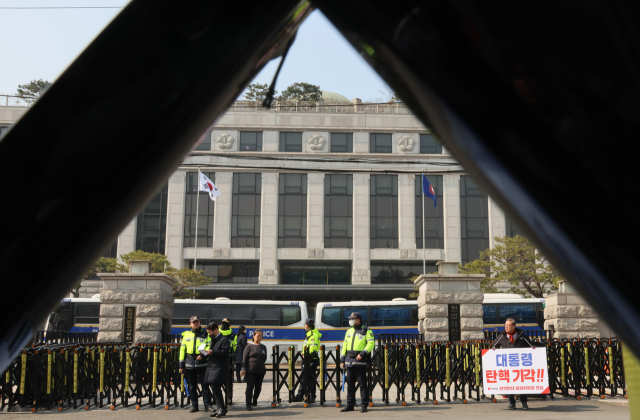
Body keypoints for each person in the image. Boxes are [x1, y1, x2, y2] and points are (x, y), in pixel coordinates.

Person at [492, 318, 536, 410]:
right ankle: (512, 403)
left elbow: (531, 346)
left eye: (508, 325)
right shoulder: (502, 336)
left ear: (514, 326)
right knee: (509, 384)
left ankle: (524, 402)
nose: (506, 327)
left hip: (520, 364)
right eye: (505, 325)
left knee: (521, 383)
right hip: (507, 364)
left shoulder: (521, 335)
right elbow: (493, 347)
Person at [340, 312, 374, 413]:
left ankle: (364, 405)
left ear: (358, 319)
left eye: (352, 319)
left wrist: (363, 354)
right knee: (350, 385)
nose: (350, 320)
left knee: (363, 385)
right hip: (349, 361)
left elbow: (371, 344)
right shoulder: (349, 331)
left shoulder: (367, 331)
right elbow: (344, 345)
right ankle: (350, 404)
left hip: (360, 362)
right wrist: (342, 359)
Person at [179, 316, 212, 413]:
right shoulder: (186, 335)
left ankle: (208, 405)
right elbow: (182, 350)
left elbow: (209, 346)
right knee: (192, 386)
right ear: (190, 324)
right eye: (193, 322)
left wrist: (203, 356)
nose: (195, 324)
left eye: (197, 322)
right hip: (189, 363)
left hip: (202, 363)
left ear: (199, 322)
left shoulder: (205, 334)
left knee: (205, 385)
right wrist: (181, 365)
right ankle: (194, 405)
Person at [203, 322, 231, 418]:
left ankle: (222, 408)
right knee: (213, 386)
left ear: (216, 330)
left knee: (215, 386)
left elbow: (224, 352)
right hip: (212, 365)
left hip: (219, 367)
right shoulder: (213, 339)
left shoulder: (224, 339)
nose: (209, 334)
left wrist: (212, 352)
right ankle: (220, 408)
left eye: (210, 332)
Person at [292, 319, 322, 403]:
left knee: (305, 378)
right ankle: (310, 396)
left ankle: (302, 395)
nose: (304, 326)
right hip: (308, 359)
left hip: (310, 360)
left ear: (307, 326)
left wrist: (306, 356)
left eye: (305, 324)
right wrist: (303, 352)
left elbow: (313, 348)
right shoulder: (309, 334)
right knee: (309, 378)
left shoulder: (312, 335)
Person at [240, 329, 267, 411]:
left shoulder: (263, 347)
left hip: (260, 370)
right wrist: (243, 368)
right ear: (253, 336)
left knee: (258, 387)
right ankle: (248, 404)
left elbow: (264, 358)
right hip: (250, 370)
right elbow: (244, 358)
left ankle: (254, 400)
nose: (259, 337)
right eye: (258, 335)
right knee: (250, 387)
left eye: (261, 336)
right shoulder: (249, 346)